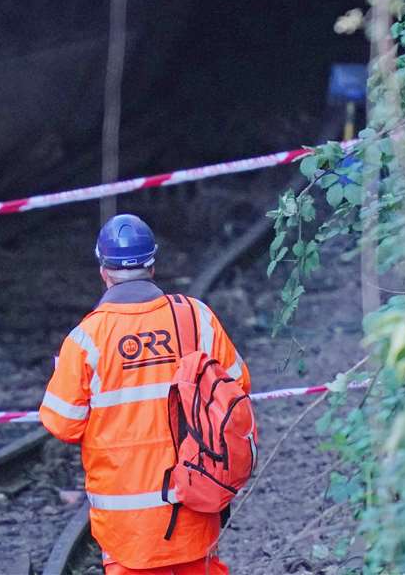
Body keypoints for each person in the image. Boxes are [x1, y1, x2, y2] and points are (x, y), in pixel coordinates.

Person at [41, 213, 251, 575]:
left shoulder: (86, 339)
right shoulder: (195, 317)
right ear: (152, 266)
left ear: (103, 271)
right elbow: (236, 387)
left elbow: (63, 425)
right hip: (193, 497)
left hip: (125, 517)